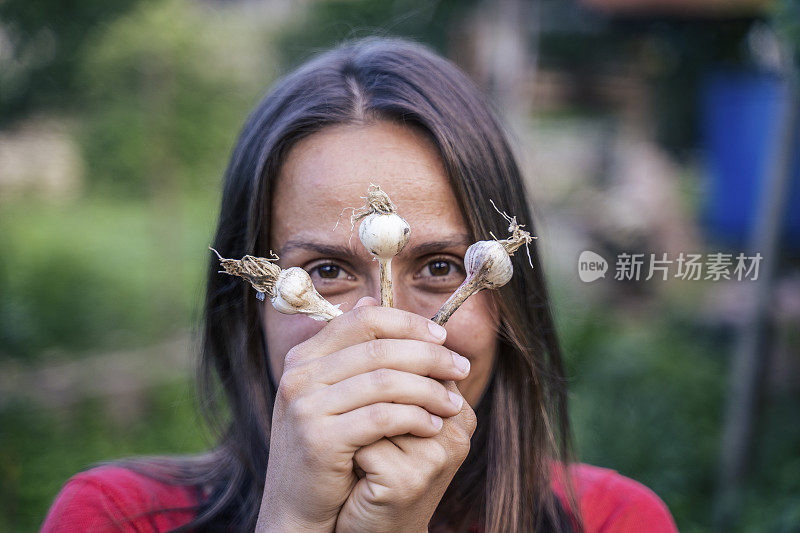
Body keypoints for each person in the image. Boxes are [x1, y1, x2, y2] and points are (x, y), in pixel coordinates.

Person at [41, 37, 678, 533]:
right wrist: (293, 519)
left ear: (513, 301)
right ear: (247, 305)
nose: (381, 329)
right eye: (325, 272)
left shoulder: (612, 520)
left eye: (441, 267)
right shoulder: (116, 518)